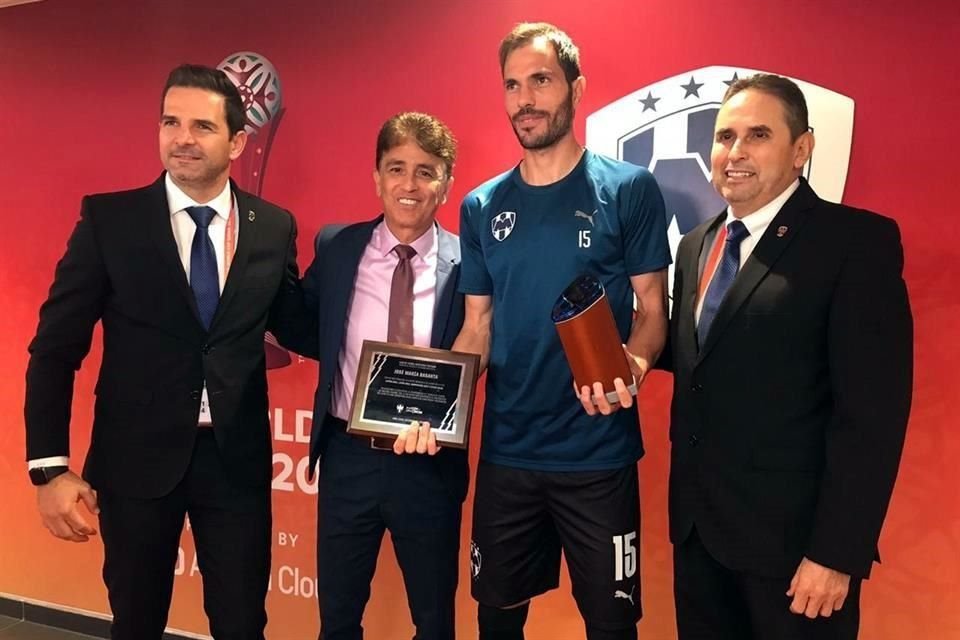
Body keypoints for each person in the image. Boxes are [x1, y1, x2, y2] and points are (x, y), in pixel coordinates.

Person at [24, 64, 306, 640]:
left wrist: (378, 269)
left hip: (236, 466)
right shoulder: (111, 221)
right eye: (170, 121)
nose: (182, 137)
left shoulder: (273, 228)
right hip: (134, 464)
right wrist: (48, 468)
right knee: (137, 622)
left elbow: (303, 327)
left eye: (202, 125)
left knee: (242, 624)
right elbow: (55, 348)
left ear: (238, 140)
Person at [663, 73, 912, 639]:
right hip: (699, 539)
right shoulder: (697, 244)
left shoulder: (855, 244)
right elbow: (704, 361)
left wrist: (837, 554)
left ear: (802, 148)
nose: (735, 153)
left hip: (798, 558)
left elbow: (872, 416)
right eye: (724, 136)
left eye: (757, 135)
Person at [453, 22, 670, 640]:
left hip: (597, 453)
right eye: (513, 85)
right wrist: (438, 407)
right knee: (496, 620)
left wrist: (635, 363)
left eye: (541, 80)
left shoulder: (628, 189)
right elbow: (478, 325)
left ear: (577, 89)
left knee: (610, 624)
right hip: (507, 454)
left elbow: (653, 309)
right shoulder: (480, 205)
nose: (525, 99)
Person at [299, 112, 467, 640]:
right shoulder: (337, 248)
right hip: (348, 457)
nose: (409, 185)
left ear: (447, 181)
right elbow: (302, 323)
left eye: (426, 171)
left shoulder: (471, 263)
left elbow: (485, 348)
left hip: (430, 466)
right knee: (339, 619)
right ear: (377, 176)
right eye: (396, 168)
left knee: (435, 622)